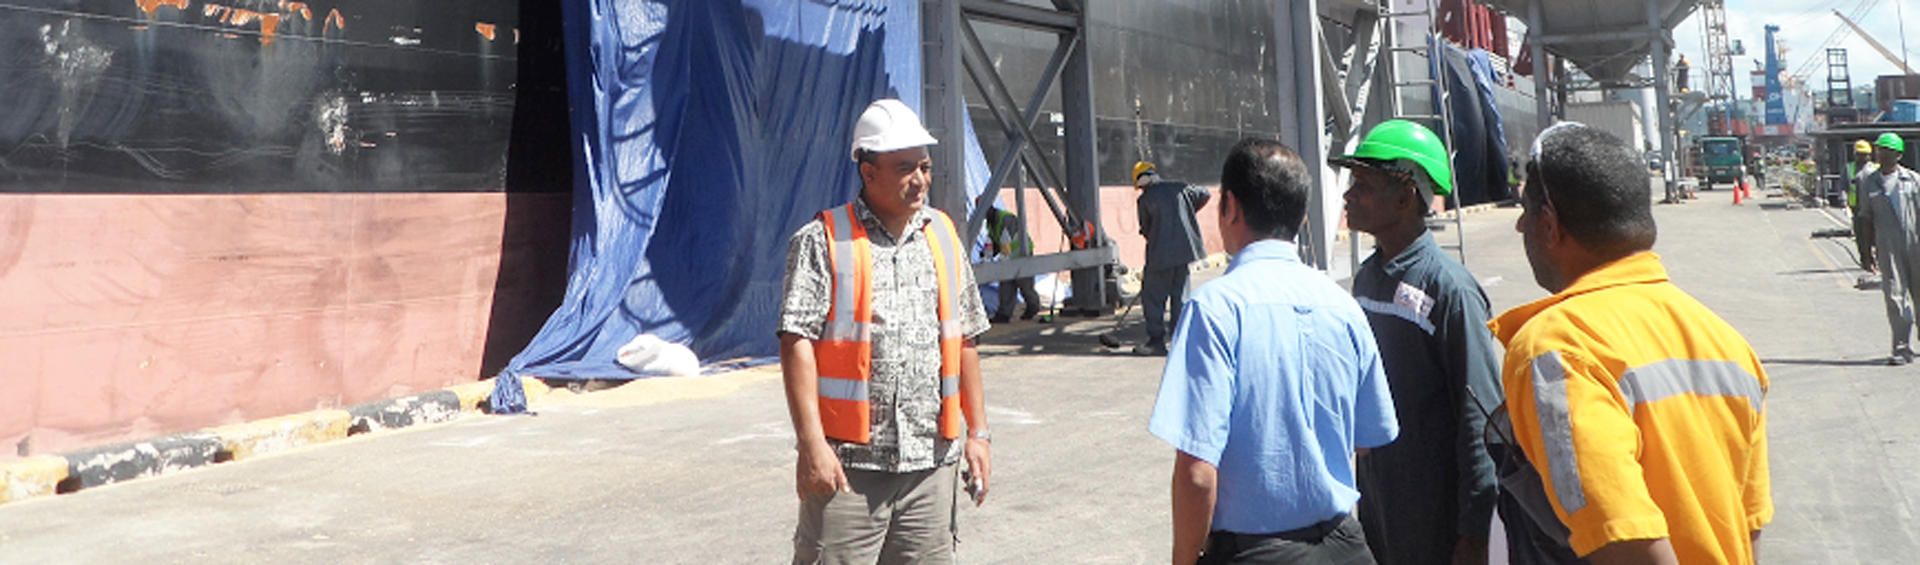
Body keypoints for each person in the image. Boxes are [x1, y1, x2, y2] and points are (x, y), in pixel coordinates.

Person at [1494, 122, 1771, 564]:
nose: (1519, 224)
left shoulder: (1557, 348)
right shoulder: (1727, 342)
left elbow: (1622, 541)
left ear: (1549, 225)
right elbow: (1747, 526)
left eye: (1527, 211)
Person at [1148, 137, 1400, 565]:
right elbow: (1368, 439)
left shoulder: (1215, 308)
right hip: (1344, 547)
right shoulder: (1343, 306)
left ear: (1230, 207)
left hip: (1255, 551)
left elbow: (1197, 472)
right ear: (1301, 217)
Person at [778, 99, 993, 564]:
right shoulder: (821, 240)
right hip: (848, 469)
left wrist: (978, 433)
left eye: (924, 167)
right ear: (868, 171)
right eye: (904, 168)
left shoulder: (943, 236)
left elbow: (966, 339)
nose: (919, 179)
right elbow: (796, 342)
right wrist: (812, 445)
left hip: (929, 465)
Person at [1330, 120, 1501, 565]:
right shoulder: (1368, 279)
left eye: (1363, 184)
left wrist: (1475, 532)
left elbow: (1481, 418)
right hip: (1381, 508)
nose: (1349, 196)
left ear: (1405, 196)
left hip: (1437, 520)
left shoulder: (1450, 290)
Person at [1133, 161, 1212, 356]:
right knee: (1181, 297)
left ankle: (1156, 342)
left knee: (1153, 297)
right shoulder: (1180, 189)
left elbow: (1146, 229)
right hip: (1184, 252)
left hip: (1160, 255)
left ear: (1141, 181)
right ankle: (1179, 342)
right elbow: (1205, 193)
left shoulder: (1145, 200)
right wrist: (1187, 211)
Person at [1856, 132, 1920, 365]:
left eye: (1887, 151)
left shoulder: (1913, 180)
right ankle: (1901, 348)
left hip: (1916, 243)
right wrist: (1866, 253)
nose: (1882, 154)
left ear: (1898, 155)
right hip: (1887, 245)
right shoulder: (1869, 182)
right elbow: (1866, 218)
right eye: (1880, 150)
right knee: (1895, 295)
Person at [984, 207, 1041, 323]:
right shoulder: (990, 223)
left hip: (1021, 253)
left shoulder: (1006, 218)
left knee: (1024, 284)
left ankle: (1033, 306)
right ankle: (1004, 314)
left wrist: (996, 252)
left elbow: (1008, 239)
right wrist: (989, 252)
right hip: (1008, 256)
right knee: (1006, 285)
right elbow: (996, 241)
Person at [1850, 140, 1877, 267]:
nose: (1862, 157)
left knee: (1876, 235)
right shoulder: (1850, 168)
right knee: (1861, 236)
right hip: (1857, 208)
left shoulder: (1875, 169)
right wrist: (1843, 201)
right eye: (1860, 154)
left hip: (1875, 208)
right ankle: (1865, 259)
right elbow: (1843, 186)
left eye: (1865, 154)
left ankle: (1877, 259)